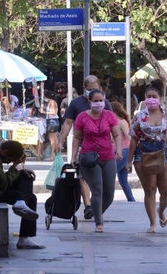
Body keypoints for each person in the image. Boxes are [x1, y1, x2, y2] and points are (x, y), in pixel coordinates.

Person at [127, 80, 167, 234]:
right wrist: (129, 160)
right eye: (148, 96)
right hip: (143, 152)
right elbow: (133, 138)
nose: (151, 99)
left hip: (164, 151)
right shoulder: (139, 116)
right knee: (150, 189)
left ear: (160, 99)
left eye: (154, 96)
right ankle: (153, 223)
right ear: (145, 98)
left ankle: (161, 211)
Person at [57, 75, 113, 220]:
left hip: (104, 150)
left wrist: (114, 144)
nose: (93, 91)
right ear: (84, 89)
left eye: (95, 88)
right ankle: (88, 205)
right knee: (84, 177)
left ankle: (95, 209)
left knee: (103, 187)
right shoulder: (76, 103)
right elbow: (68, 123)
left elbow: (112, 124)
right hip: (85, 147)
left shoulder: (104, 103)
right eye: (90, 89)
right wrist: (60, 141)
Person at [70, 89, 122, 233]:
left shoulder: (109, 116)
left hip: (108, 156)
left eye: (101, 100)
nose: (99, 103)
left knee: (109, 194)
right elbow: (76, 138)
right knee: (97, 189)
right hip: (89, 157)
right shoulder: (82, 117)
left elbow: (117, 134)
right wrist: (73, 157)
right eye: (96, 101)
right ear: (89, 102)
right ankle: (99, 222)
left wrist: (118, 149)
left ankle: (95, 211)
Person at [111, 101, 135, 202]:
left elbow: (129, 136)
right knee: (123, 180)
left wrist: (134, 150)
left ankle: (107, 198)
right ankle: (131, 200)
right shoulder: (114, 122)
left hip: (124, 151)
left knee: (110, 175)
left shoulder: (122, 122)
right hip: (118, 152)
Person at [39, 90, 59, 161]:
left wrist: (43, 111)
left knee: (52, 139)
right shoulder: (51, 102)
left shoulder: (52, 103)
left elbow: (53, 112)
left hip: (52, 121)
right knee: (55, 139)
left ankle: (51, 155)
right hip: (53, 121)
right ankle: (56, 154)